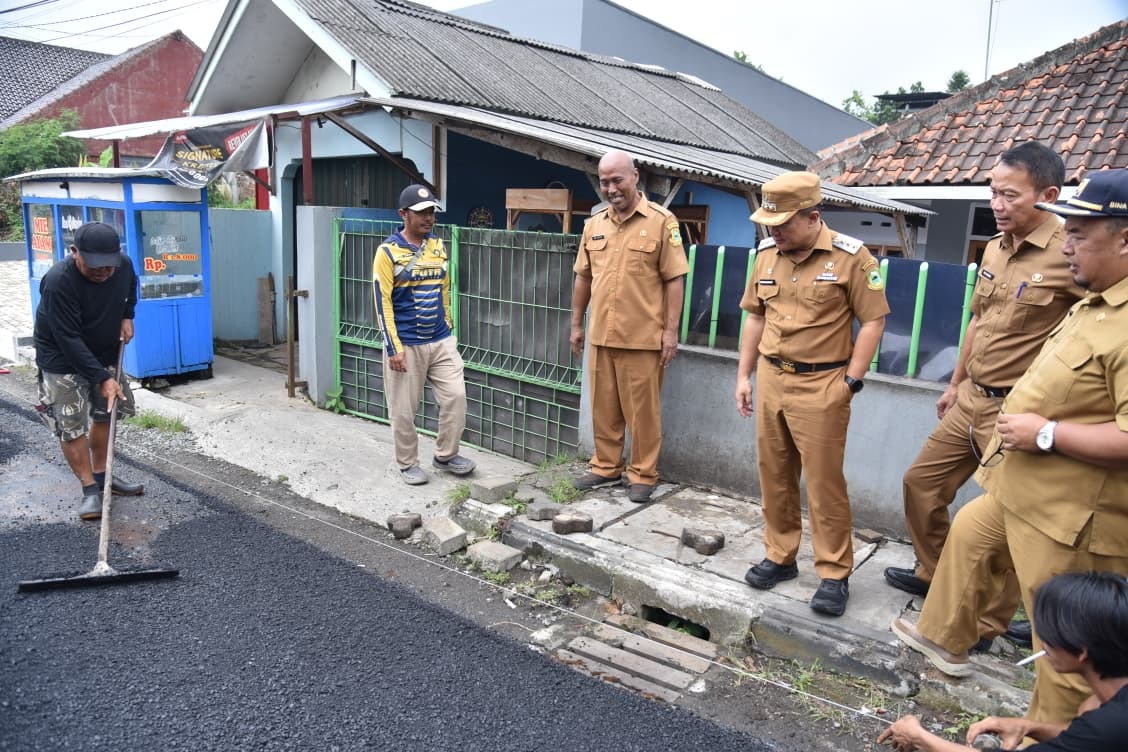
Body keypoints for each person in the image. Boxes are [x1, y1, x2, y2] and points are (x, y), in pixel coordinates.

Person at [891, 168, 1128, 725]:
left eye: (1079, 236)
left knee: (1067, 649)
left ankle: (1058, 732)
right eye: (1066, 232)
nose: (1065, 246)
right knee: (970, 535)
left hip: (1070, 515)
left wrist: (1046, 433)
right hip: (1023, 484)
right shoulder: (1098, 301)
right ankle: (949, 641)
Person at [885, 142, 1084, 650]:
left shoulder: (1070, 252)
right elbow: (979, 317)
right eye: (993, 192)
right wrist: (954, 384)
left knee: (1003, 517)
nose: (996, 204)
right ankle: (935, 573)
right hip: (971, 395)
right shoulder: (996, 246)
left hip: (1018, 408)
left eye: (1008, 195)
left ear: (1049, 194)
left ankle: (986, 625)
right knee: (921, 484)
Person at [735, 171, 889, 617]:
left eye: (782, 224)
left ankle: (834, 573)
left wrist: (851, 382)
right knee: (774, 474)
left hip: (823, 383)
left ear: (813, 217)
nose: (774, 232)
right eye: (769, 224)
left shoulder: (851, 258)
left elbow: (873, 320)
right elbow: (755, 318)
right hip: (772, 379)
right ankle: (780, 556)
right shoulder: (766, 255)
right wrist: (744, 376)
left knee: (824, 484)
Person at [878, 571, 1128, 751]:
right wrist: (1029, 726)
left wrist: (920, 737)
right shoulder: (1110, 708)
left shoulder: (1110, 723)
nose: (1042, 643)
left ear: (1082, 652)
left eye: (1048, 636)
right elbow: (1085, 740)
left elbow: (1096, 736)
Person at [569, 150, 689, 503]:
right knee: (603, 407)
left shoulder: (662, 222)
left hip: (643, 338)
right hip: (602, 334)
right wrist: (577, 324)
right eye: (605, 182)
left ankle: (643, 473)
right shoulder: (594, 225)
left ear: (635, 176)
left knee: (643, 413)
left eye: (617, 179)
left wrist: (670, 331)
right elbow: (583, 278)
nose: (611, 188)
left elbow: (674, 279)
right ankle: (606, 466)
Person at [34, 221, 143, 521]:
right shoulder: (58, 282)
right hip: (62, 358)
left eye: (108, 266)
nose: (103, 273)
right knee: (70, 425)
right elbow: (68, 340)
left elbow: (131, 287)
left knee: (106, 413)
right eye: (94, 266)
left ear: (117, 255)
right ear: (74, 252)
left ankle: (103, 476)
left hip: (104, 348)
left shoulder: (123, 264)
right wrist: (102, 378)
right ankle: (89, 490)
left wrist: (127, 315)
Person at [372, 184, 475, 485]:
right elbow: (382, 302)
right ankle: (407, 464)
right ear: (403, 214)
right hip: (406, 344)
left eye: (431, 212)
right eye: (420, 213)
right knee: (404, 411)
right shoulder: (387, 252)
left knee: (456, 397)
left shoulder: (438, 247)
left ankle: (445, 455)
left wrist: (449, 328)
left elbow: (444, 289)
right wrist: (393, 348)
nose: (428, 218)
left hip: (440, 341)